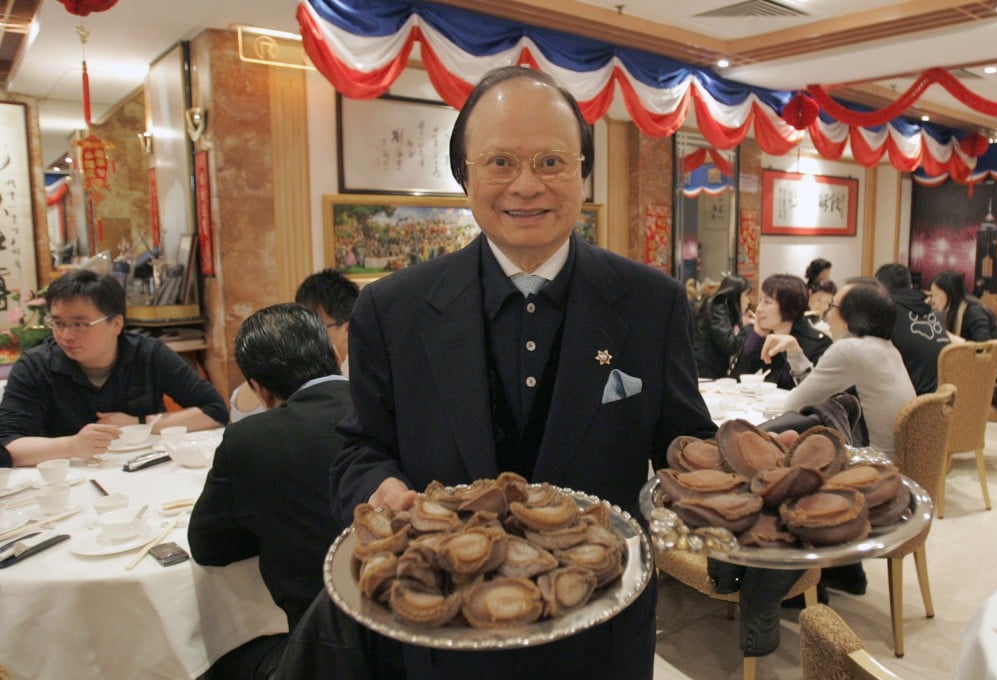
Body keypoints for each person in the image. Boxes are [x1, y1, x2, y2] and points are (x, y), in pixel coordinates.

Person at [327, 65, 716, 680]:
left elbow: (680, 443)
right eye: (501, 162)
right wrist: (381, 490)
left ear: (584, 173)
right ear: (465, 176)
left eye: (552, 162)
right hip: (446, 633)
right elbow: (362, 449)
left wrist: (736, 475)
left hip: (600, 630)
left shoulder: (650, 302)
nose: (526, 186)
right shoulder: (391, 308)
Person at [189, 303, 353, 679]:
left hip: (324, 656)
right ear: (334, 353)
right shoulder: (388, 407)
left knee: (216, 659)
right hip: (420, 640)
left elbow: (209, 546)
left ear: (258, 390)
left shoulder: (251, 440)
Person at [0, 269, 227, 466]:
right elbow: (8, 444)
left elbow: (215, 411)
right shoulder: (34, 366)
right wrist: (73, 445)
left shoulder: (148, 354)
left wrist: (140, 424)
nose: (66, 335)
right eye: (58, 323)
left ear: (116, 324)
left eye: (80, 324)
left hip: (143, 470)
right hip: (67, 480)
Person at [783, 279, 915, 453]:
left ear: (853, 316)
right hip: (896, 461)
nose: (827, 315)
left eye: (832, 306)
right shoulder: (888, 349)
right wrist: (795, 352)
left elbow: (792, 408)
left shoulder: (849, 350)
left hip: (870, 466)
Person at [229, 268, 360, 422]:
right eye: (303, 323)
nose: (307, 333)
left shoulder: (363, 369)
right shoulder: (287, 368)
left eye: (318, 326)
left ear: (347, 329)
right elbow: (240, 410)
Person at [730, 274, 831, 389]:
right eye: (760, 300)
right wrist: (756, 338)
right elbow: (736, 382)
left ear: (789, 307)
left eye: (767, 302)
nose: (758, 309)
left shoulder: (817, 344)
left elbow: (816, 393)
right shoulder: (760, 335)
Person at [874, 263, 951, 395]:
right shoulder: (928, 311)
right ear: (910, 286)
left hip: (910, 404)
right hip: (941, 400)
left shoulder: (887, 312)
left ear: (879, 289)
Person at [693, 274, 752, 378]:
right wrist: (750, 327)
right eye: (747, 295)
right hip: (706, 372)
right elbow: (730, 345)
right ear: (736, 295)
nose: (749, 300)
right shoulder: (718, 308)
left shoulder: (719, 307)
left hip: (705, 370)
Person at [929, 270, 997, 342]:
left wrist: (949, 337)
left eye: (935, 295)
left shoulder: (974, 312)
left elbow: (984, 346)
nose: (932, 300)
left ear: (950, 293)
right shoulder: (953, 312)